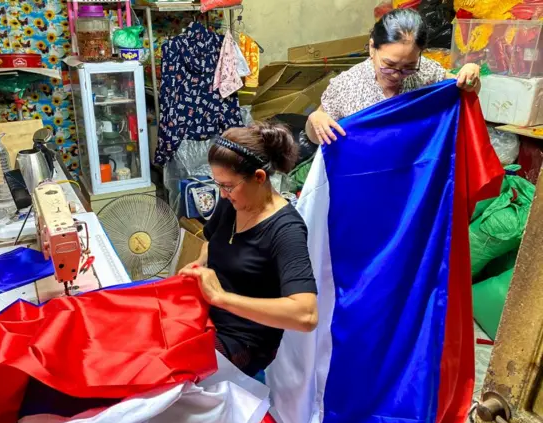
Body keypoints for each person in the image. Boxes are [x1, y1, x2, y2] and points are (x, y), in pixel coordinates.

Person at [179, 122, 318, 377]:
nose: (222, 194)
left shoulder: (286, 230)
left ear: (259, 177)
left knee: (169, 369)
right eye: (218, 184)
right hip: (209, 317)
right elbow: (212, 242)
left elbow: (306, 315)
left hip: (246, 341)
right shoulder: (233, 202)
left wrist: (221, 298)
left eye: (228, 186)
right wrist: (201, 263)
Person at [307, 8, 482, 144]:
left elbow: (464, 90)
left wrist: (470, 74)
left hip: (414, 174)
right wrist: (315, 119)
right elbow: (316, 135)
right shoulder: (346, 86)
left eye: (408, 67)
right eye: (389, 65)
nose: (397, 75)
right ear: (372, 48)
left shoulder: (426, 73)